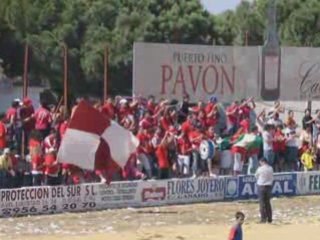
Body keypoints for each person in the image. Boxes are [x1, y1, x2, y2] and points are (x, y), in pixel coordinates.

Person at [255, 157, 274, 223]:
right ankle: (270, 218)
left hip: (261, 186)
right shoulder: (270, 168)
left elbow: (256, 176)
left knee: (262, 203)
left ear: (262, 161)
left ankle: (263, 219)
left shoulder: (260, 169)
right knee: (268, 203)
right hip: (269, 186)